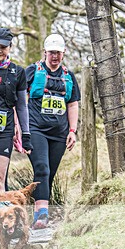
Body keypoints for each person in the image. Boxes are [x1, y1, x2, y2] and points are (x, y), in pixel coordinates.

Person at [0, 27, 33, 238]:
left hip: (3, 130)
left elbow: (21, 105)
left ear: (10, 47)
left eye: (3, 47)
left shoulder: (17, 72)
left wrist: (25, 133)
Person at [25, 33, 80, 229]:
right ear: (44, 53)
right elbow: (20, 100)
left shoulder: (69, 76)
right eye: (51, 53)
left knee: (49, 174)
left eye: (58, 53)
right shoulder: (32, 71)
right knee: (42, 168)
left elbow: (72, 104)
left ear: (63, 53)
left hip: (59, 133)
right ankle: (42, 216)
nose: (54, 57)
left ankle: (33, 211)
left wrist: (72, 130)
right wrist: (21, 129)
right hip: (36, 128)